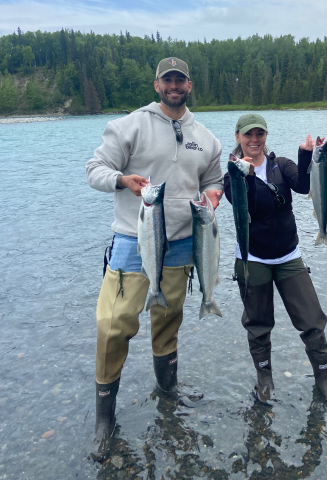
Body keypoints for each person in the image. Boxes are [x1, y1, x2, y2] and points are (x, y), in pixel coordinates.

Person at [86, 57, 224, 457]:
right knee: (113, 324)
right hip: (134, 240)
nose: (174, 85)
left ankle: (168, 390)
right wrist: (120, 179)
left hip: (184, 242)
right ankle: (104, 417)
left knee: (168, 319)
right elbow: (95, 168)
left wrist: (214, 193)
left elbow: (214, 179)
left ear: (190, 84)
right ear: (157, 84)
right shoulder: (129, 125)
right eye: (168, 79)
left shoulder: (206, 137)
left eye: (181, 79)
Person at [224, 113, 327, 409]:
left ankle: (324, 379)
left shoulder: (282, 165)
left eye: (260, 134)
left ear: (266, 137)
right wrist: (249, 178)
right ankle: (264, 378)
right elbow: (247, 206)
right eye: (248, 135)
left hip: (289, 256)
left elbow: (305, 187)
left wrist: (307, 157)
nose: (254, 140)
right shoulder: (232, 175)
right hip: (252, 259)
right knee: (258, 324)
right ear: (238, 137)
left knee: (312, 320)